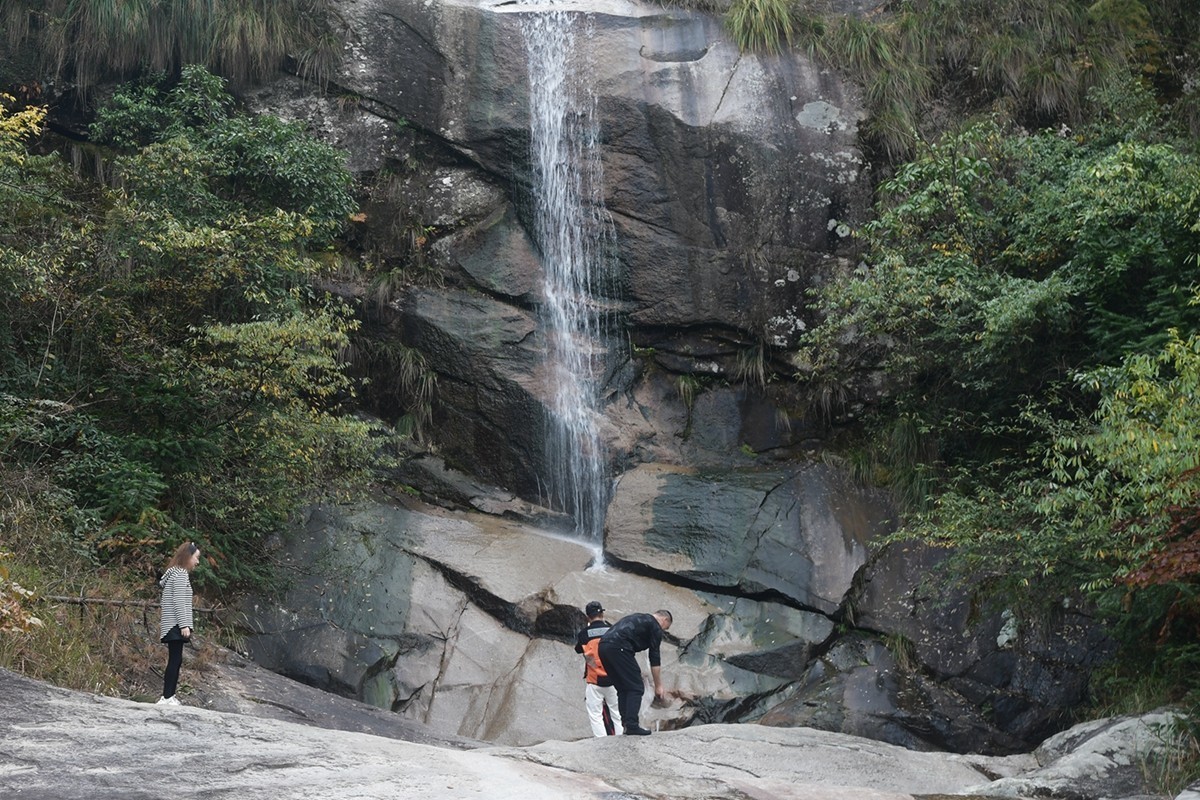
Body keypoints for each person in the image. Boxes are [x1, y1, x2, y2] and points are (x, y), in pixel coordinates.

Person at [597, 608, 672, 735]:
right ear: (665, 620)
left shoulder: (638, 617)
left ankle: (626, 723)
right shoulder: (655, 626)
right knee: (636, 687)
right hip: (619, 647)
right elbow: (654, 657)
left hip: (603, 647)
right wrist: (658, 685)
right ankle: (632, 725)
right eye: (666, 628)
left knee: (623, 688)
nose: (663, 631)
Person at [157, 541, 200, 705]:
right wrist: (184, 625)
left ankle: (168, 696)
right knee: (175, 660)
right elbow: (179, 602)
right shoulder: (181, 574)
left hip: (171, 623)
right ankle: (167, 697)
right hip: (175, 624)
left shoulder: (173, 573)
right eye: (196, 558)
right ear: (188, 557)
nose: (197, 562)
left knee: (175, 659)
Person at [574, 601, 621, 737]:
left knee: (595, 715)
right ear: (602, 614)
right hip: (614, 679)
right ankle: (621, 739)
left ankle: (601, 742)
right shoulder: (613, 630)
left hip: (594, 680)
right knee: (617, 713)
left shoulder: (584, 634)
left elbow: (578, 649)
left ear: (588, 617)